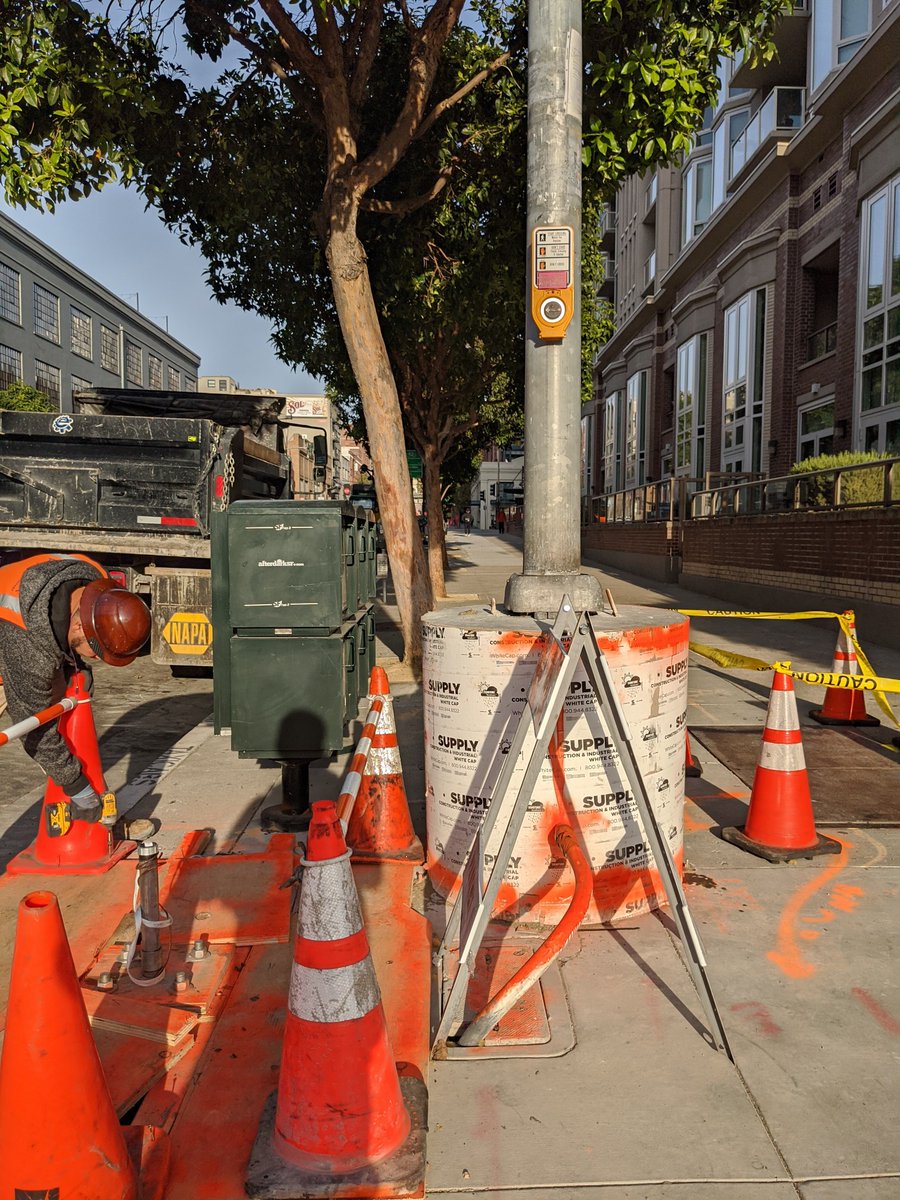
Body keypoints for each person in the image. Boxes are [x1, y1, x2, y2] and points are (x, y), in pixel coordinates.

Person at [0, 553, 151, 824]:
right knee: (37, 722)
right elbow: (33, 729)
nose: (98, 660)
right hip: (11, 638)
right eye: (97, 651)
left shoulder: (96, 581)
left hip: (23, 638)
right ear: (81, 624)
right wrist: (76, 786)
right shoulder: (29, 648)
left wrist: (75, 664)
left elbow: (63, 631)